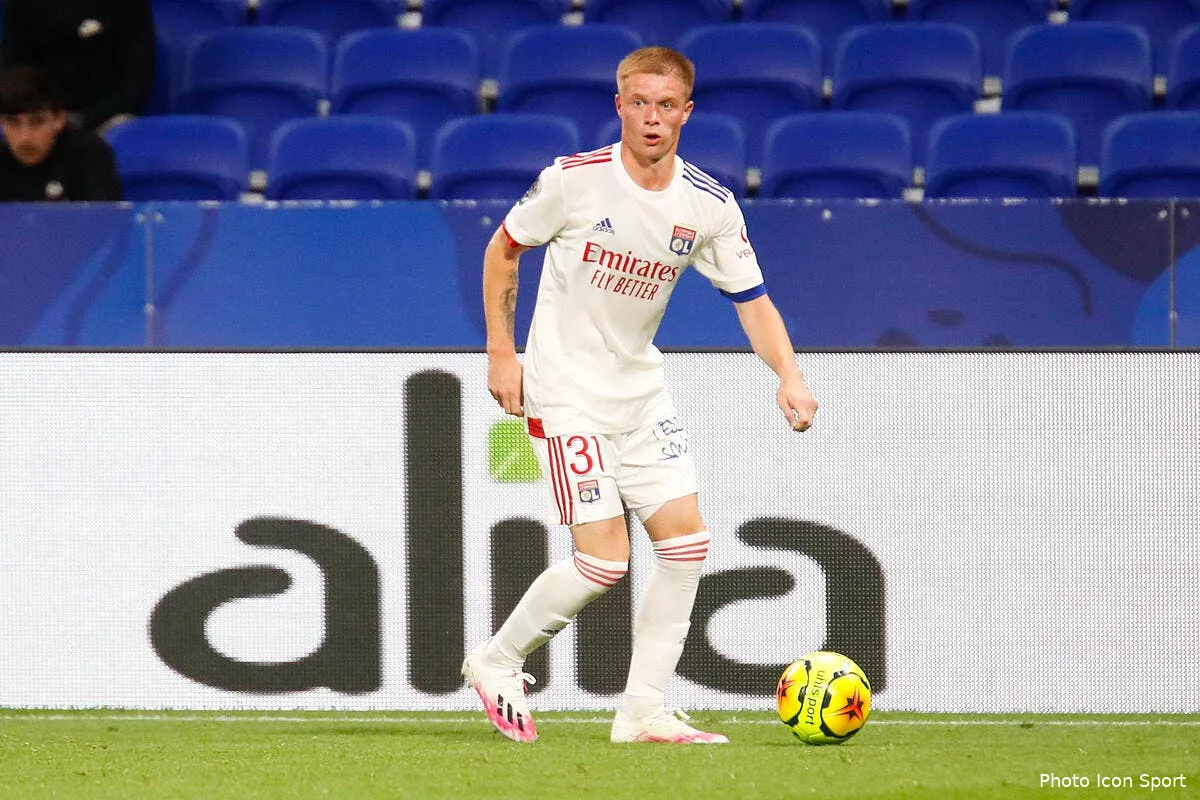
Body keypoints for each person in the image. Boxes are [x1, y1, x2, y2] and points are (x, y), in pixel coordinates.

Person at [462, 46, 818, 745]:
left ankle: (642, 711)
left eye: (667, 105)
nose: (652, 117)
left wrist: (790, 374)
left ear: (687, 112)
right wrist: (503, 353)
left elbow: (753, 300)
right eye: (640, 103)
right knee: (604, 561)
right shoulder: (573, 181)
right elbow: (503, 250)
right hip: (566, 391)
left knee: (686, 545)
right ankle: (497, 660)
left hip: (640, 393)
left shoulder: (708, 205)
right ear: (619, 106)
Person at [0, 0, 155, 133]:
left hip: (106, 119)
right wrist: (39, 116)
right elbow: (11, 70)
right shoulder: (22, 4)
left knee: (123, 131)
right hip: (36, 116)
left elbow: (136, 80)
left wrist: (88, 118)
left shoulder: (127, 4)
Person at [0, 65, 124, 201]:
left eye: (37, 122)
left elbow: (101, 213)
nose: (25, 137)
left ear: (59, 119)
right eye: (13, 123)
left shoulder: (91, 156)